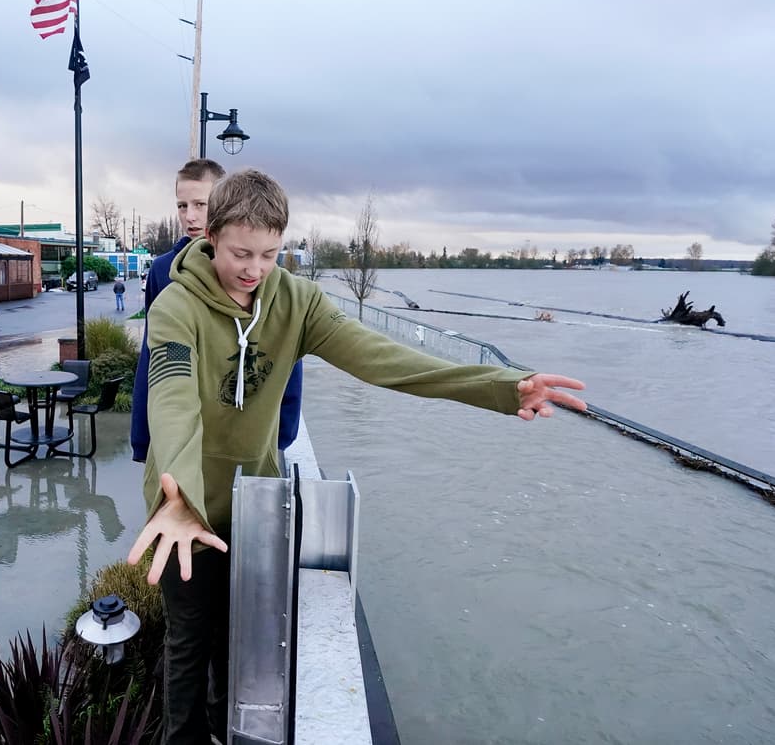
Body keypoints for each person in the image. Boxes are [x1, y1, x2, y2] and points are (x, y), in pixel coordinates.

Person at [127, 169, 587, 743]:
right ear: (212, 236)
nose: (255, 270)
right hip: (182, 507)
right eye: (241, 254)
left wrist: (499, 387)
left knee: (238, 635)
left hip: (255, 503)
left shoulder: (296, 302)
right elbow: (172, 399)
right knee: (189, 639)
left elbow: (381, 359)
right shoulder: (175, 306)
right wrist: (178, 497)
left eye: (269, 254)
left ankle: (224, 729)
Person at [130, 158, 304, 465]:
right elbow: (154, 353)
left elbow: (284, 351)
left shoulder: (256, 270)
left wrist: (282, 433)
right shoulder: (163, 271)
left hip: (246, 431)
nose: (190, 216)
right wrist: (143, 439)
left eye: (201, 204)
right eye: (182, 206)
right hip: (184, 429)